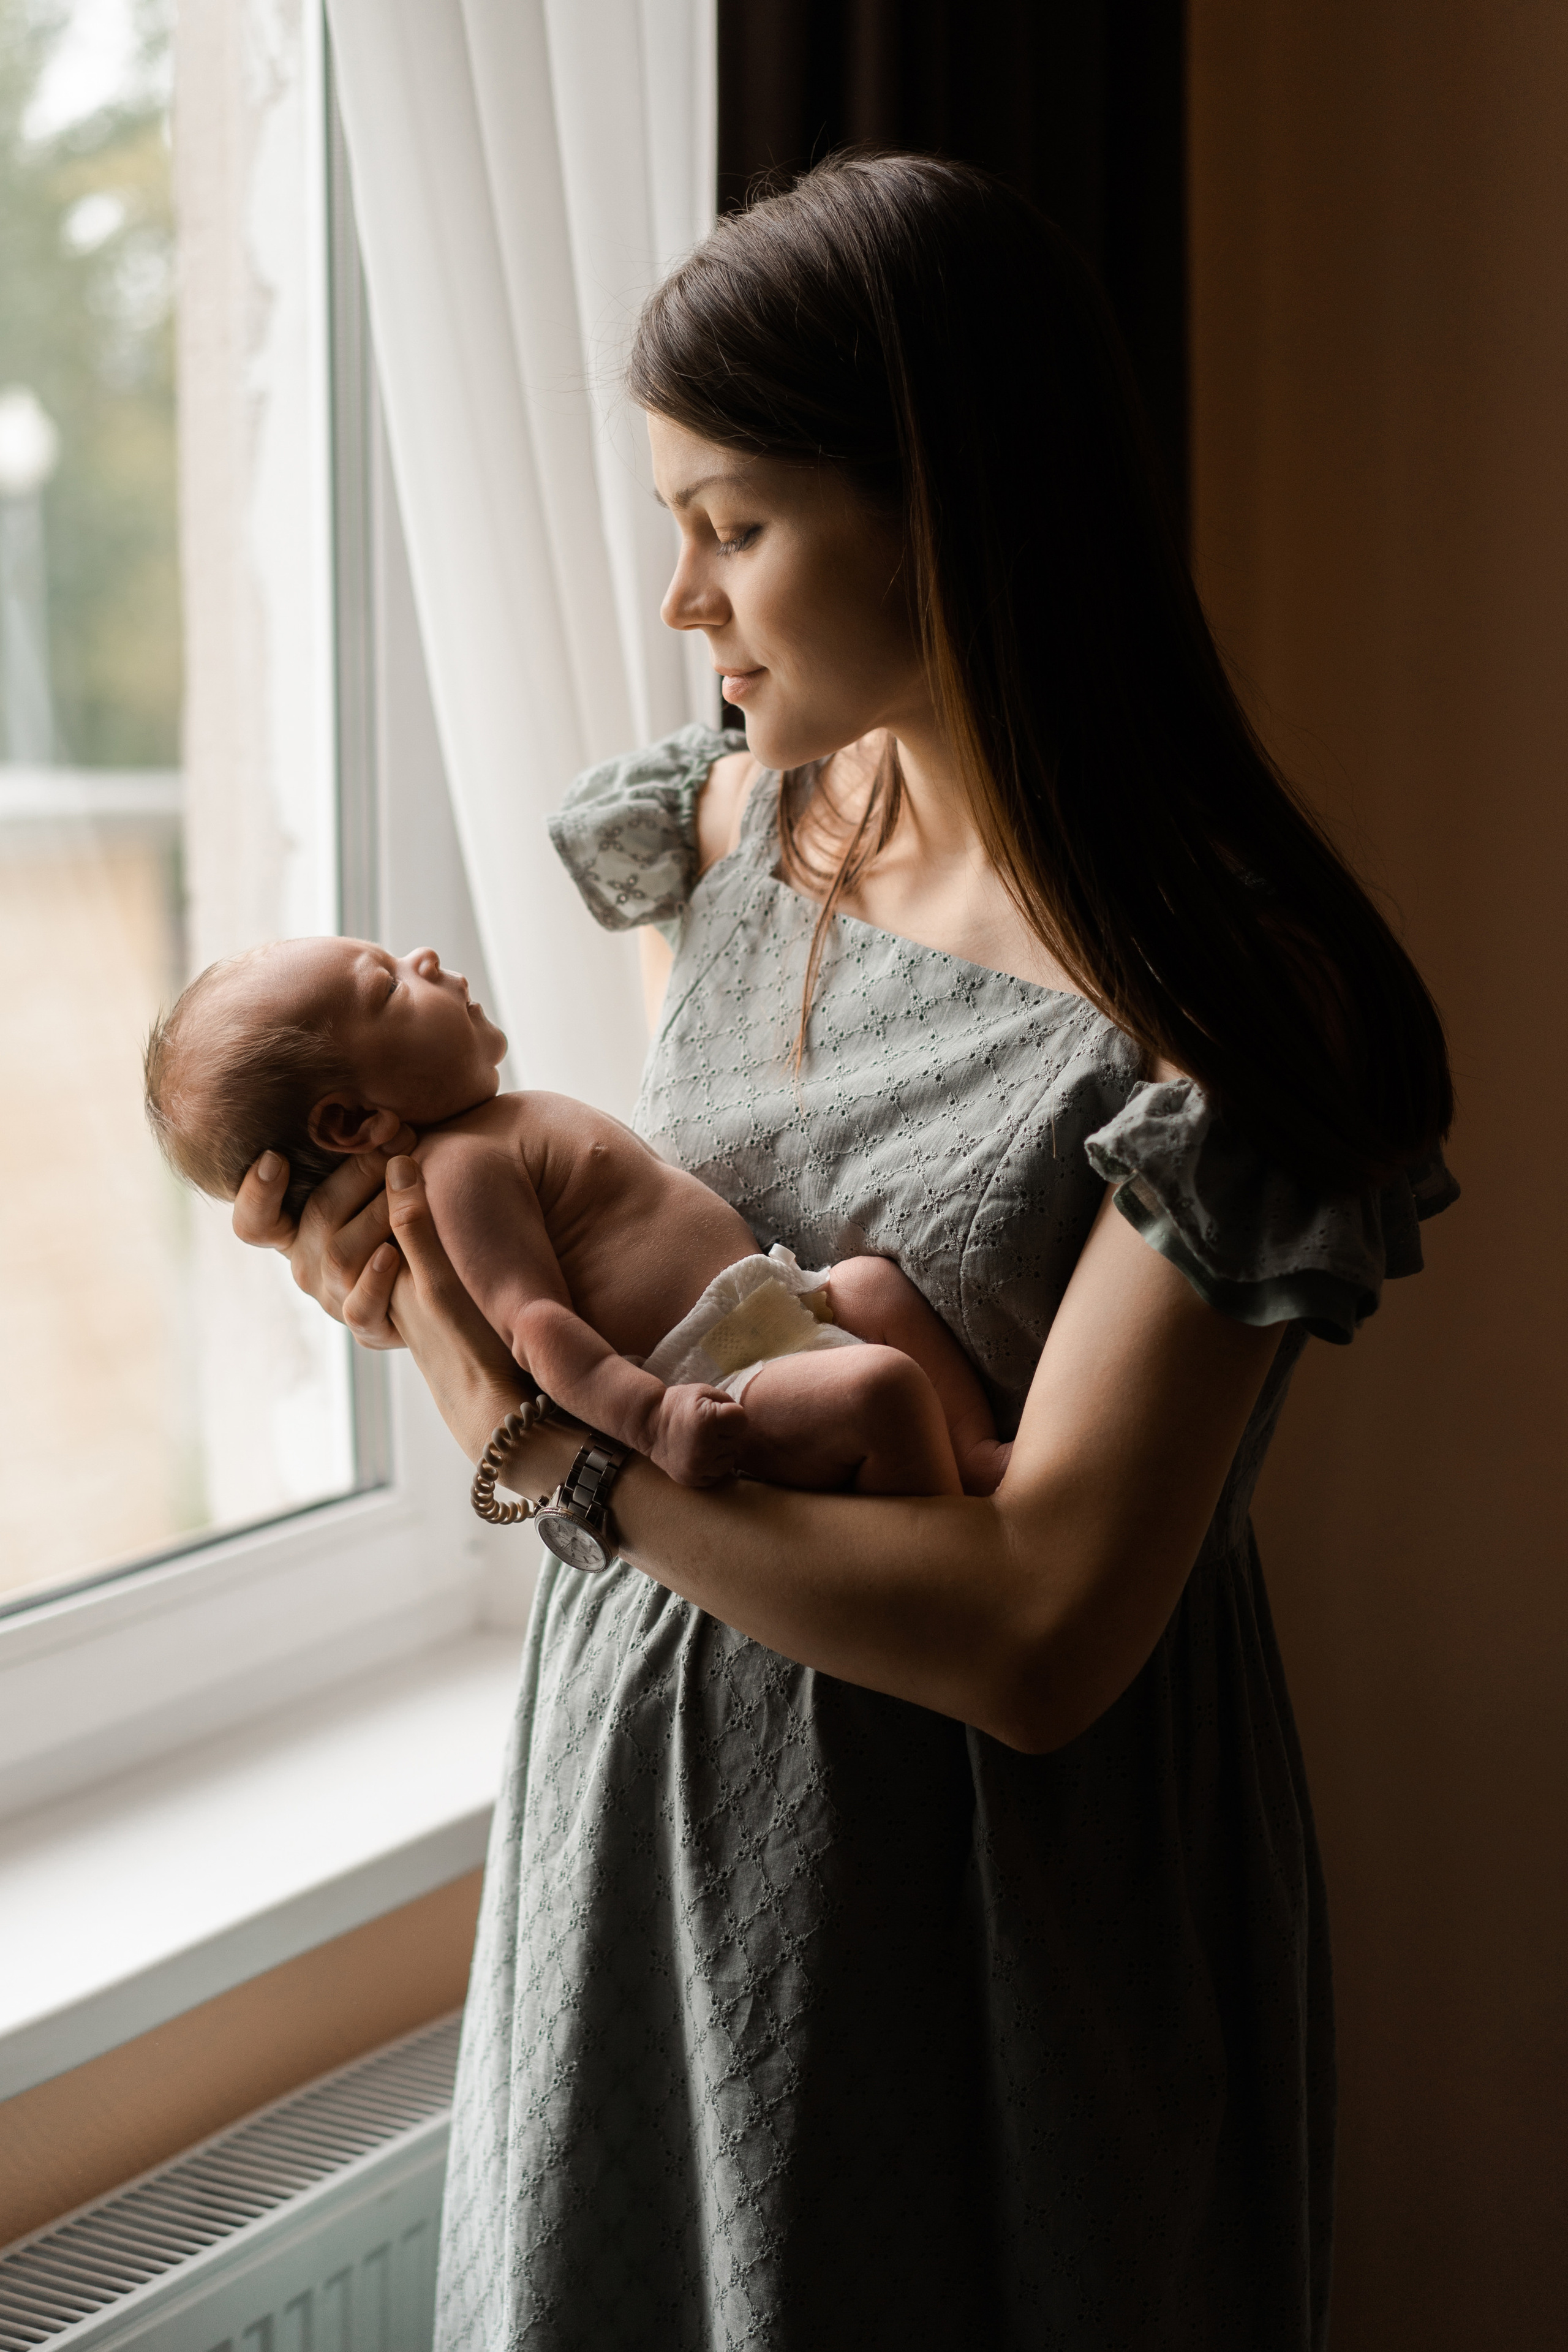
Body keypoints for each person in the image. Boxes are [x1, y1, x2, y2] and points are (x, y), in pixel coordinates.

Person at [232, 155, 1456, 2350]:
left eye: (734, 525)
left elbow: (1039, 1637)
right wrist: (403, 1258)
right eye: (677, 528)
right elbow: (684, 1276)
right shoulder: (713, 829)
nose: (683, 604)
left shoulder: (1238, 1015)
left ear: (951, 502)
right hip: (645, 1795)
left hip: (992, 1889)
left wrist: (524, 1440)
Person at [142, 935, 1007, 1494]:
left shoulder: (501, 1124)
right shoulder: (459, 1170)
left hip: (776, 1304)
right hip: (711, 1372)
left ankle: (970, 1457)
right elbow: (534, 1325)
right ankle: (945, 1555)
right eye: (390, 986)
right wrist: (653, 1421)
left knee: (873, 1285)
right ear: (352, 1121)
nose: (427, 958)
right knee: (881, 1390)